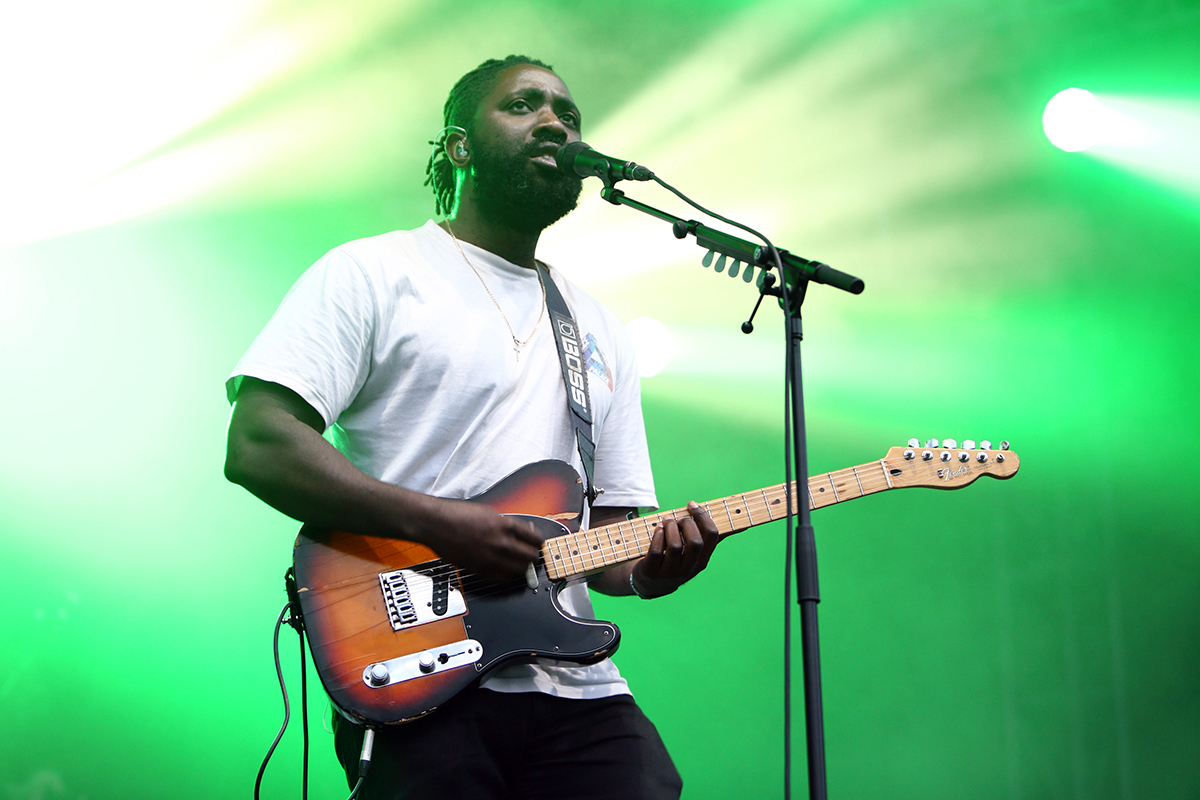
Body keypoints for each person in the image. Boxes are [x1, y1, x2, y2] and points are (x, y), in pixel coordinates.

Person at [224, 55, 719, 800]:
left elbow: (612, 544)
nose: (555, 121)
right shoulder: (372, 272)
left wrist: (654, 569)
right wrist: (447, 527)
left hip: (574, 685)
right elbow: (259, 441)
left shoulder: (601, 331)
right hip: (415, 662)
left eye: (568, 114)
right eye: (524, 105)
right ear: (459, 146)